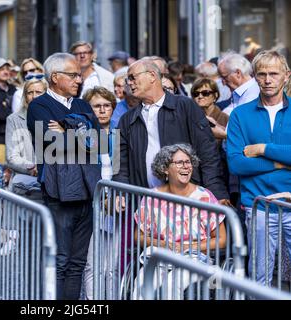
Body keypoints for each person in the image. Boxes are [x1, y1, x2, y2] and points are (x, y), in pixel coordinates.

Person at [26, 52, 102, 300]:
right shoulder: (39, 106)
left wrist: (68, 126)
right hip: (59, 194)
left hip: (88, 192)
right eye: (73, 75)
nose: (79, 80)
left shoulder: (81, 104)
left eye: (79, 75)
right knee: (60, 261)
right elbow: (53, 145)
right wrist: (81, 128)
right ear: (55, 77)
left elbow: (98, 141)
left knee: (78, 262)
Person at [113, 58, 229, 203]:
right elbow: (119, 162)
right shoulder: (126, 119)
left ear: (152, 76)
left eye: (132, 77)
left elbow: (208, 152)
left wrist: (217, 193)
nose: (129, 83)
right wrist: (120, 193)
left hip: (187, 202)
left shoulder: (185, 107)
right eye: (127, 79)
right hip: (145, 203)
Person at [227, 50, 291, 286]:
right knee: (259, 278)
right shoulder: (240, 115)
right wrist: (279, 162)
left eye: (273, 73)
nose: (267, 79)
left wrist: (263, 148)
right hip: (259, 205)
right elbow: (236, 163)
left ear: (286, 75)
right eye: (262, 74)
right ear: (254, 77)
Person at [131, 144, 227, 299]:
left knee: (171, 285)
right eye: (179, 163)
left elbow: (222, 240)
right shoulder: (152, 197)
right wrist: (163, 244)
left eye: (188, 162)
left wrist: (188, 247)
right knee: (142, 283)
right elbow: (138, 236)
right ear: (165, 169)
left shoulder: (204, 197)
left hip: (195, 259)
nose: (186, 167)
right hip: (162, 257)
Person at [81, 86, 118, 300]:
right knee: (92, 262)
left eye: (107, 106)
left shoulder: (119, 132)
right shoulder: (84, 135)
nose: (103, 110)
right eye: (97, 106)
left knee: (112, 264)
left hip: (117, 203)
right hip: (91, 204)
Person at [5, 77, 48, 199]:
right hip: (24, 186)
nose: (34, 96)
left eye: (39, 92)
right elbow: (12, 157)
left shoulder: (54, 117)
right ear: (25, 96)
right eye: (30, 92)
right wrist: (32, 167)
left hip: (50, 185)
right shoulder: (14, 119)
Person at [191, 78, 229, 145]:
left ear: (215, 95)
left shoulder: (226, 119)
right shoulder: (189, 118)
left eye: (205, 93)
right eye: (196, 94)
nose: (200, 96)